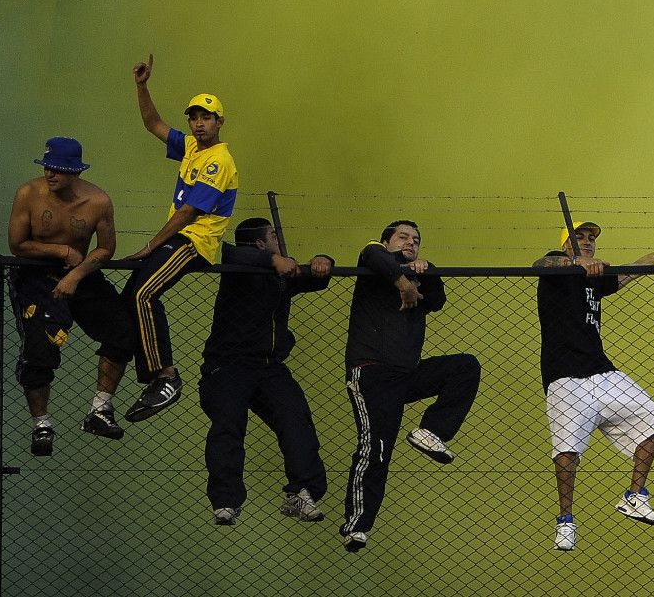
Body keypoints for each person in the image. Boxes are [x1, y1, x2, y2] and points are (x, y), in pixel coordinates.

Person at [535, 220, 654, 551]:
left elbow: (637, 269)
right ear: (566, 243)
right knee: (567, 451)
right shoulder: (556, 264)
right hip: (564, 375)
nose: (588, 242)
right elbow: (540, 264)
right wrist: (574, 262)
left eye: (591, 238)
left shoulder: (595, 278)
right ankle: (565, 519)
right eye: (580, 237)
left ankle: (634, 496)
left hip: (600, 371)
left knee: (653, 419)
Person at [338, 220, 482, 552]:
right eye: (403, 237)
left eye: (416, 240)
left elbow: (437, 300)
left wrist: (426, 270)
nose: (411, 243)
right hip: (371, 374)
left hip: (405, 374)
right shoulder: (374, 260)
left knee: (464, 367)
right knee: (375, 450)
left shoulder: (418, 275)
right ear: (388, 241)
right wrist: (402, 279)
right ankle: (356, 526)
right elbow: (372, 252)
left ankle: (431, 431)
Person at [121, 54, 239, 422]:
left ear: (220, 121)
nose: (199, 123)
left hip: (194, 243)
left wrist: (151, 245)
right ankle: (130, 376)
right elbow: (153, 123)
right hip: (177, 239)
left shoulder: (220, 160)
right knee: (129, 299)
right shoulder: (191, 147)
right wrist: (142, 86)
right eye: (194, 117)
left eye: (207, 117)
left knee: (143, 293)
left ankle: (165, 377)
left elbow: (189, 212)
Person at [200, 217, 336, 526]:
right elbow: (233, 252)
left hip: (269, 366)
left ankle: (301, 492)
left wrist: (323, 261)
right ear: (262, 243)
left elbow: (317, 278)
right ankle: (225, 501)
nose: (279, 239)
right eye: (273, 235)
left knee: (296, 422)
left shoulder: (281, 277)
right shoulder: (240, 265)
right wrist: (275, 260)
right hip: (228, 363)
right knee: (228, 429)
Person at [5, 137, 135, 454]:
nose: (51, 175)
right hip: (36, 274)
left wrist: (77, 274)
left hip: (82, 274)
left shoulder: (98, 202)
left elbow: (106, 248)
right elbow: (17, 244)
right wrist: (59, 249)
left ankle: (101, 410)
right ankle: (42, 425)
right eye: (48, 167)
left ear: (75, 172)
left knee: (124, 330)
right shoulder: (29, 194)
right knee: (39, 349)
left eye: (59, 170)